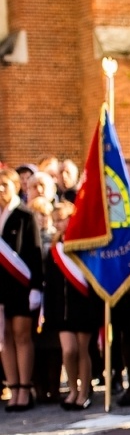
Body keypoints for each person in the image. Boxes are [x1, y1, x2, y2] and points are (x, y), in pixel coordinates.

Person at [45, 201, 99, 410]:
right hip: (62, 309)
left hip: (83, 308)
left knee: (82, 350)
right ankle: (73, 389)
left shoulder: (85, 246)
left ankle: (84, 391)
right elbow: (50, 283)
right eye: (56, 220)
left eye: (63, 219)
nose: (59, 224)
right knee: (68, 350)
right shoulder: (54, 249)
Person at [0, 167, 42, 412]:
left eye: (5, 185)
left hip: (21, 288)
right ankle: (13, 387)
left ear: (16, 186)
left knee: (21, 336)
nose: (0, 190)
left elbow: (34, 253)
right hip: (1, 289)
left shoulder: (25, 215)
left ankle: (25, 389)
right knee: (3, 338)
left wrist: (36, 287)